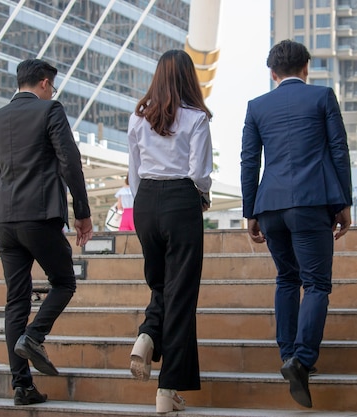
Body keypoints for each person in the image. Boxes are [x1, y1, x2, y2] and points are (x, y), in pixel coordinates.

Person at [240, 40, 352, 408]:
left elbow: (249, 162)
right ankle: (302, 360)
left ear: (272, 73)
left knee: (287, 278)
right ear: (306, 68)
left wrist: (250, 211)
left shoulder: (257, 107)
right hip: (310, 202)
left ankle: (287, 354)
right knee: (316, 283)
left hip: (270, 205)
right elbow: (338, 149)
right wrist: (344, 202)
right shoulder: (322, 97)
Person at [0, 58, 93, 406]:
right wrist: (83, 212)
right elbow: (69, 161)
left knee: (16, 299)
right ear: (45, 83)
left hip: (6, 221)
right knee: (64, 282)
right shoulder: (51, 111)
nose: (53, 92)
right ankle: (34, 336)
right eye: (53, 87)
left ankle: (22, 386)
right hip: (40, 216)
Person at [127, 49, 212, 414]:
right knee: (181, 295)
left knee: (160, 284)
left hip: (145, 201)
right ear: (188, 78)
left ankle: (148, 336)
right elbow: (200, 173)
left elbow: (133, 174)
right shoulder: (196, 118)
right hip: (181, 198)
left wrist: (145, 202)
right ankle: (167, 389)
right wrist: (201, 198)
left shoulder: (138, 118)